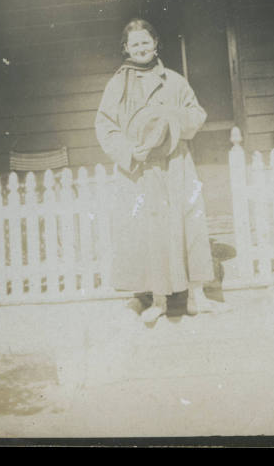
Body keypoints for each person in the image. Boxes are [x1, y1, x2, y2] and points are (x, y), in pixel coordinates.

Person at [95, 18, 226, 324]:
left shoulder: (175, 81)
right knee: (148, 230)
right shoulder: (118, 84)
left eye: (146, 42)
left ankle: (197, 297)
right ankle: (158, 301)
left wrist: (172, 118)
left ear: (155, 44)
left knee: (188, 225)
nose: (141, 48)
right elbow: (105, 124)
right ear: (126, 49)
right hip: (140, 167)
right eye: (134, 44)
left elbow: (197, 114)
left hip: (176, 163)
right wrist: (129, 151)